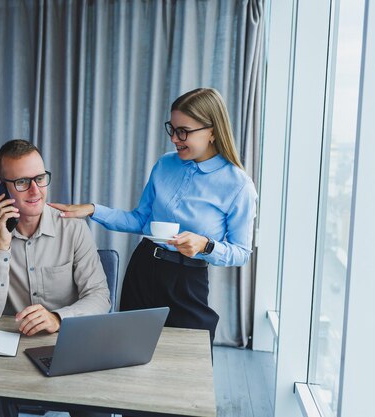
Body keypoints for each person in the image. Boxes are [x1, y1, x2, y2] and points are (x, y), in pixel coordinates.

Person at [50, 87, 258, 348]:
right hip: (143, 269)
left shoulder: (238, 186)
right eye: (172, 129)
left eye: (184, 131)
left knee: (186, 364)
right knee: (128, 353)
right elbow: (140, 221)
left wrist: (206, 245)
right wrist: (92, 210)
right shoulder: (164, 165)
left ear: (212, 131)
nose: (175, 138)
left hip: (187, 281)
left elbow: (240, 252)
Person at [0, 139, 111, 417]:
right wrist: (2, 245)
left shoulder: (72, 227)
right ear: (0, 187)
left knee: (96, 406)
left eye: (40, 178)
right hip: (11, 352)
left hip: (67, 346)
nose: (36, 190)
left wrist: (58, 318)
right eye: (22, 181)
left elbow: (99, 297)